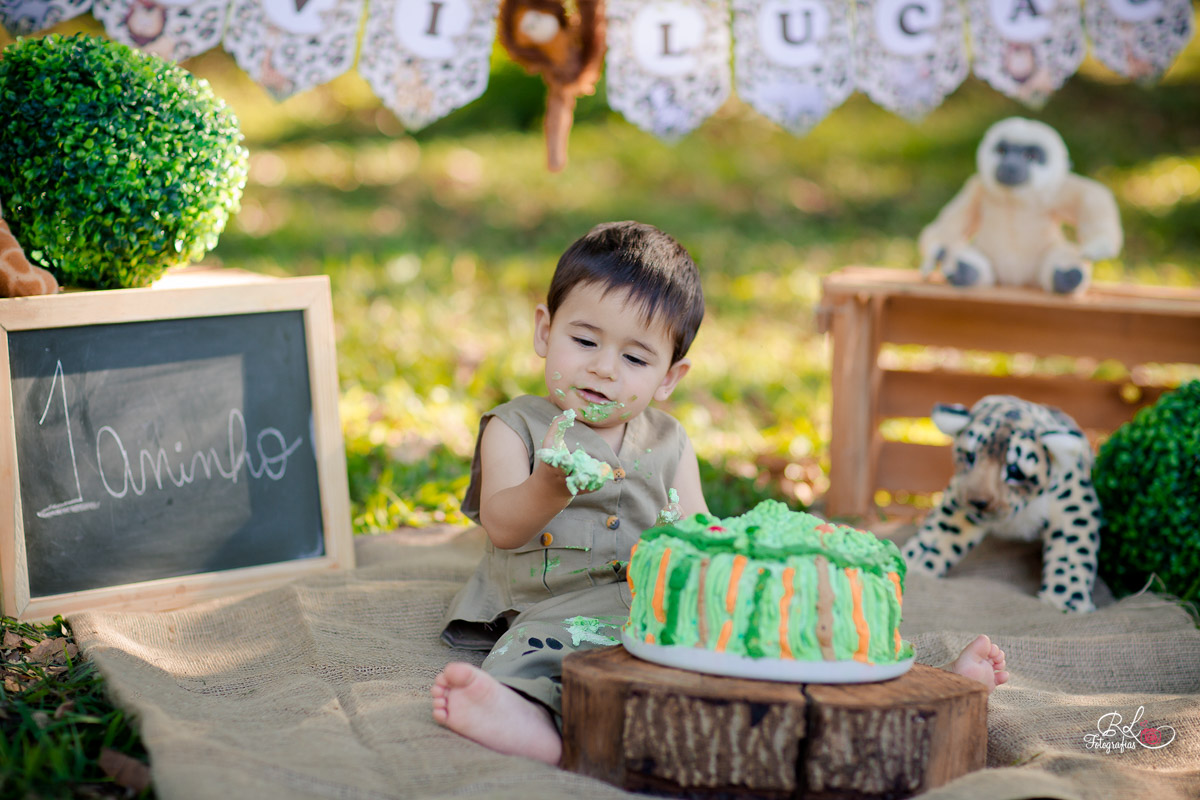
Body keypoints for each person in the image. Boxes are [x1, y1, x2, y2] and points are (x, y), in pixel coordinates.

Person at [432, 221, 1009, 765]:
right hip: (553, 606)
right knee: (546, 654)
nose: (605, 368)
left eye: (635, 357)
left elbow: (698, 526)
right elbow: (504, 525)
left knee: (777, 633)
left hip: (655, 599)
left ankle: (930, 690)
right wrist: (548, 484)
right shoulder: (519, 426)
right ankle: (536, 724)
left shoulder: (668, 440)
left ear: (668, 379)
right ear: (544, 331)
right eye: (584, 341)